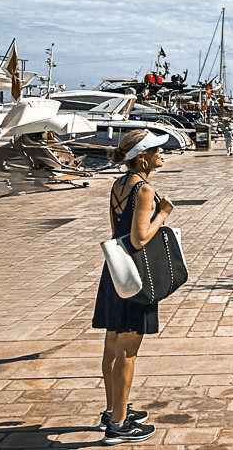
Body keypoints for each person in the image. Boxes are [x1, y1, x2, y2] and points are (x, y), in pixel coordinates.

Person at [92, 129, 174, 445]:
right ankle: (119, 425)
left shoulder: (118, 185)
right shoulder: (144, 190)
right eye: (157, 150)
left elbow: (118, 232)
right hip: (135, 275)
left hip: (114, 270)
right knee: (128, 349)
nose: (161, 154)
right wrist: (163, 213)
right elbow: (140, 238)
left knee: (112, 342)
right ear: (142, 157)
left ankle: (114, 409)